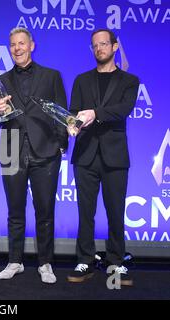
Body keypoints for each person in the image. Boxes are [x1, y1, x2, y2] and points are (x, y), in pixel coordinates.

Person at [0, 28, 67, 284]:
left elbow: (61, 113)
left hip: (46, 152)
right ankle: (15, 261)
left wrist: (61, 145)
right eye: (12, 44)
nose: (17, 48)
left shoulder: (51, 76)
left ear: (32, 46)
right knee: (15, 210)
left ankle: (45, 263)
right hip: (12, 151)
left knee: (44, 211)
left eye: (21, 43)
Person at [66, 29, 139, 286]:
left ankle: (116, 262)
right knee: (85, 212)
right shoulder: (81, 80)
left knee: (115, 211)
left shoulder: (130, 81)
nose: (100, 48)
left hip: (115, 157)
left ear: (115, 46)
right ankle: (84, 259)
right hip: (85, 155)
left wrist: (95, 113)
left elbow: (123, 110)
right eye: (95, 45)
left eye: (104, 44)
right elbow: (74, 112)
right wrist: (71, 124)